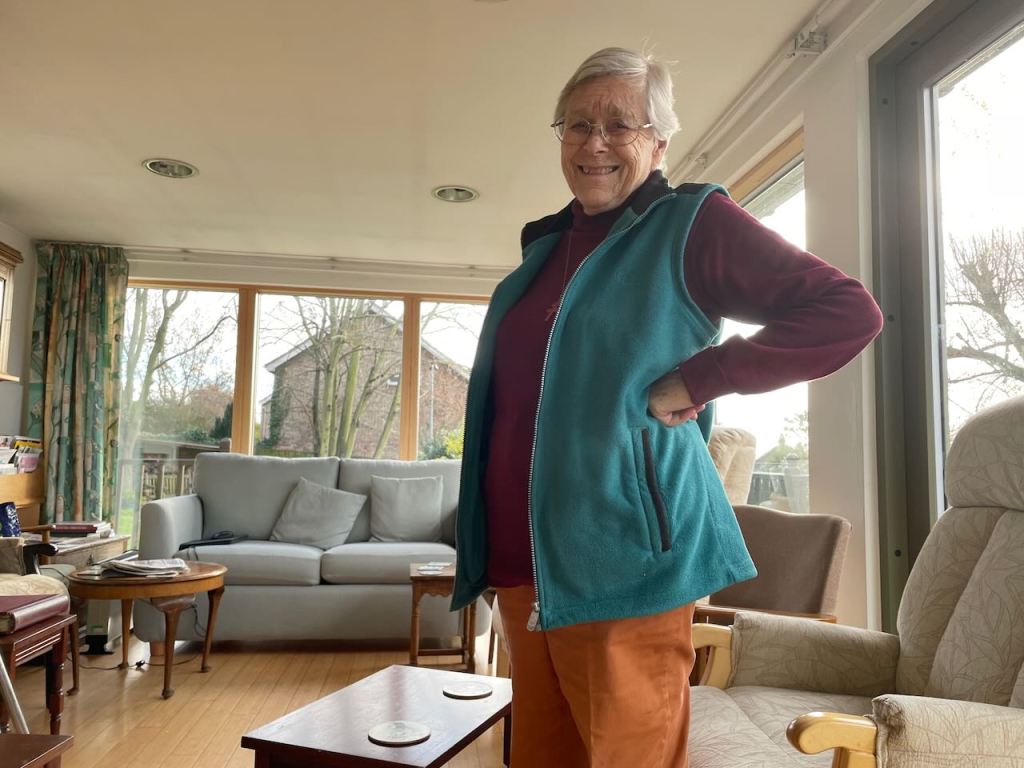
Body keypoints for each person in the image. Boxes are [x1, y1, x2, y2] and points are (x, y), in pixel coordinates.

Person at [451, 46, 883, 768]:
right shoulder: (546, 247)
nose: (594, 142)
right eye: (577, 124)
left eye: (619, 125)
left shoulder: (690, 224)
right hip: (522, 563)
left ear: (657, 143)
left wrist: (703, 375)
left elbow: (846, 311)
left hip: (625, 561)